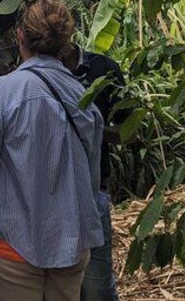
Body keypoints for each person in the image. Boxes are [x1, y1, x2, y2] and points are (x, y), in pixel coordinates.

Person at [0, 0, 104, 301]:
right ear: (66, 40)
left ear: (20, 36)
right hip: (71, 247)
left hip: (13, 247)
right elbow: (91, 179)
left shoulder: (2, 93)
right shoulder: (82, 96)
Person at [63, 44, 128, 301]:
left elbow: (128, 131)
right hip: (46, 195)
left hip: (92, 190)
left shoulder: (104, 70)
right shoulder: (29, 74)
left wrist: (91, 128)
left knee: (96, 286)